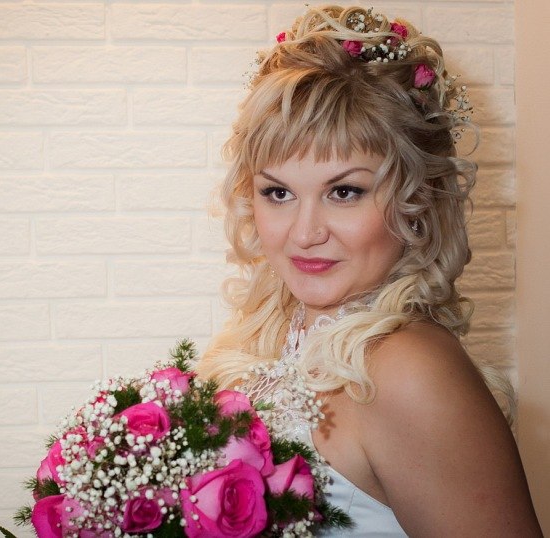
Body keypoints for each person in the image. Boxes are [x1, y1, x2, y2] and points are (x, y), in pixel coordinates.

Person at [196, 5, 543, 536]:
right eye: (279, 193)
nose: (304, 233)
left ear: (416, 200)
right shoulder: (266, 335)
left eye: (344, 192)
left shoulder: (410, 371)